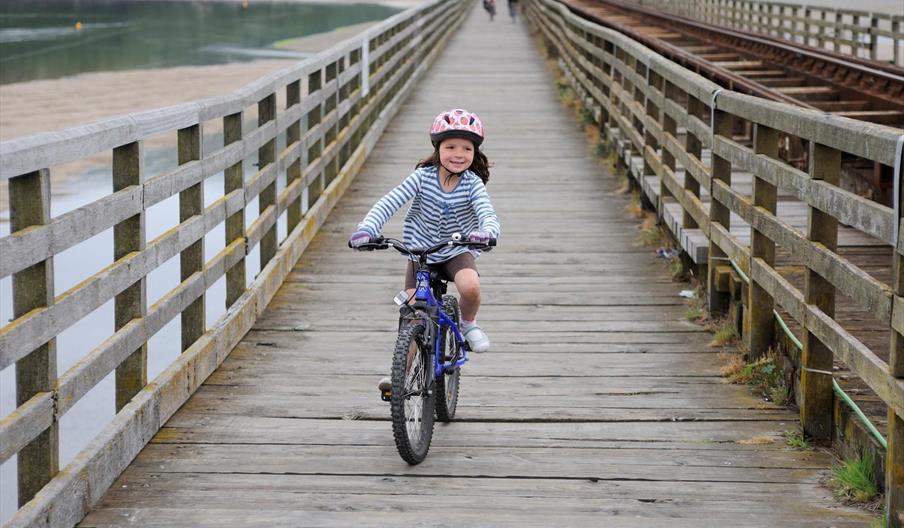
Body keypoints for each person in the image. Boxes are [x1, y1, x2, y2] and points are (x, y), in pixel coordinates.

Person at [349, 108, 501, 363]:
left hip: (456, 250)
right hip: (420, 253)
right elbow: (389, 202)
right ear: (437, 149)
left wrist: (486, 233)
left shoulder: (472, 183)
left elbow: (487, 213)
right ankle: (400, 377)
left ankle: (468, 324)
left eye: (466, 148)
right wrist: (368, 229)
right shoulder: (421, 178)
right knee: (413, 315)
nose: (458, 154)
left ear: (475, 153)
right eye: (451, 146)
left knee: (471, 287)